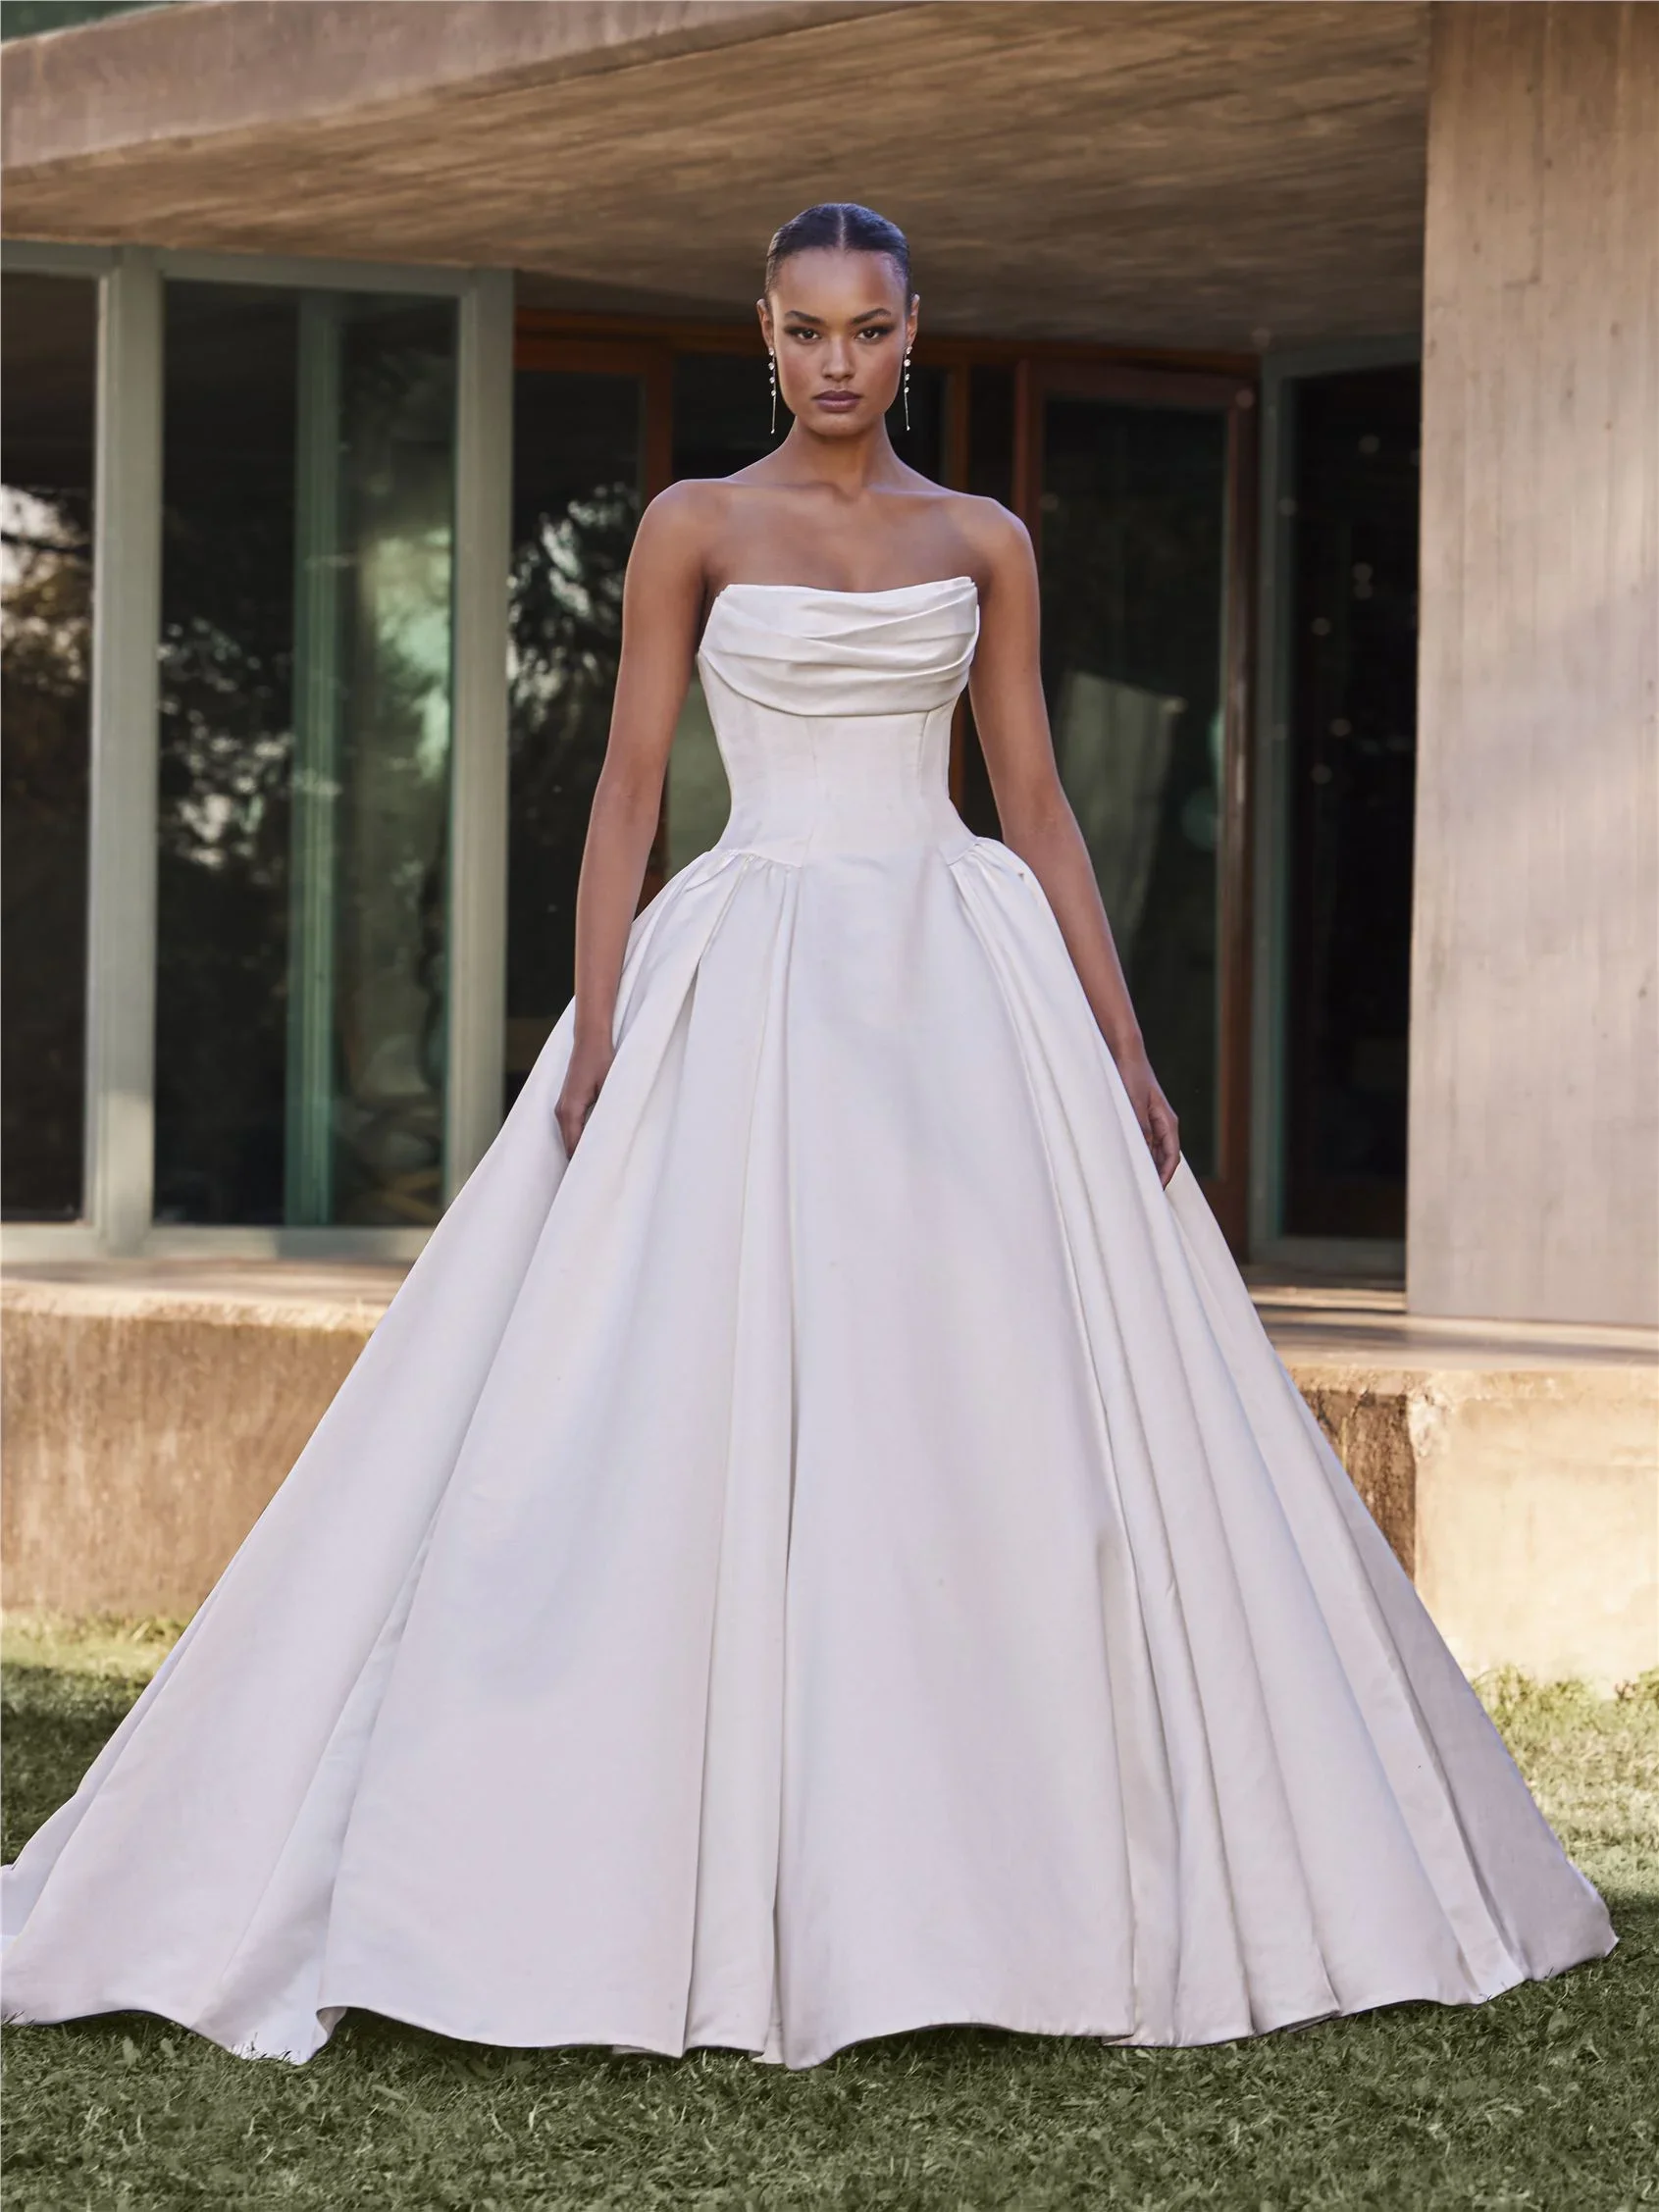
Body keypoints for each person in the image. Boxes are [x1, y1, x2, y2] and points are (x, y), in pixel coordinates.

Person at [2, 204, 1615, 2069]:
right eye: (803, 329)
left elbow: (1034, 802)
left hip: (957, 977)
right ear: (758, 334)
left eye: (866, 330)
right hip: (743, 967)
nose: (835, 361)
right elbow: (621, 793)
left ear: (911, 333)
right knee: (659, 1408)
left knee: (976, 1404)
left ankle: (982, 1881)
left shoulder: (983, 540)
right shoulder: (693, 525)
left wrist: (1129, 1051)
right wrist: (599, 1036)